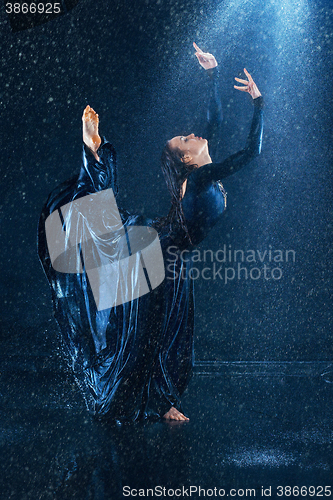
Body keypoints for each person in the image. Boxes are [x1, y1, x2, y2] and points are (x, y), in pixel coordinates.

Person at [38, 42, 263, 423]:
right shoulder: (202, 176)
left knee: (159, 332)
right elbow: (251, 153)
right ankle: (149, 402)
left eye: (186, 135)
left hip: (170, 256)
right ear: (189, 159)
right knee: (149, 333)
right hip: (162, 257)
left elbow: (213, 122)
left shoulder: (197, 174)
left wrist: (212, 75)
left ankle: (159, 400)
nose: (190, 134)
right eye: (185, 140)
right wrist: (259, 104)